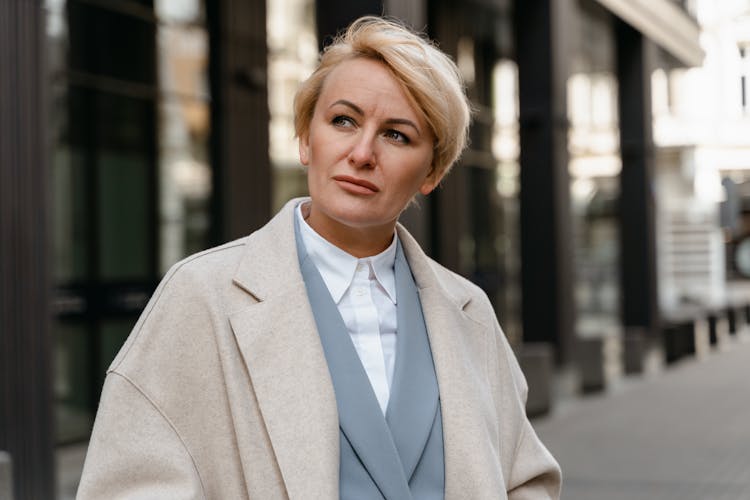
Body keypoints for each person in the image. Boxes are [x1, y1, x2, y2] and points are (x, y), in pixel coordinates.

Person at [77, 16, 561, 500]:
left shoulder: (469, 311)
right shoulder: (202, 294)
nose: (362, 153)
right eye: (343, 121)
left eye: (396, 135)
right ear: (307, 138)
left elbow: (526, 479)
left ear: (431, 172)